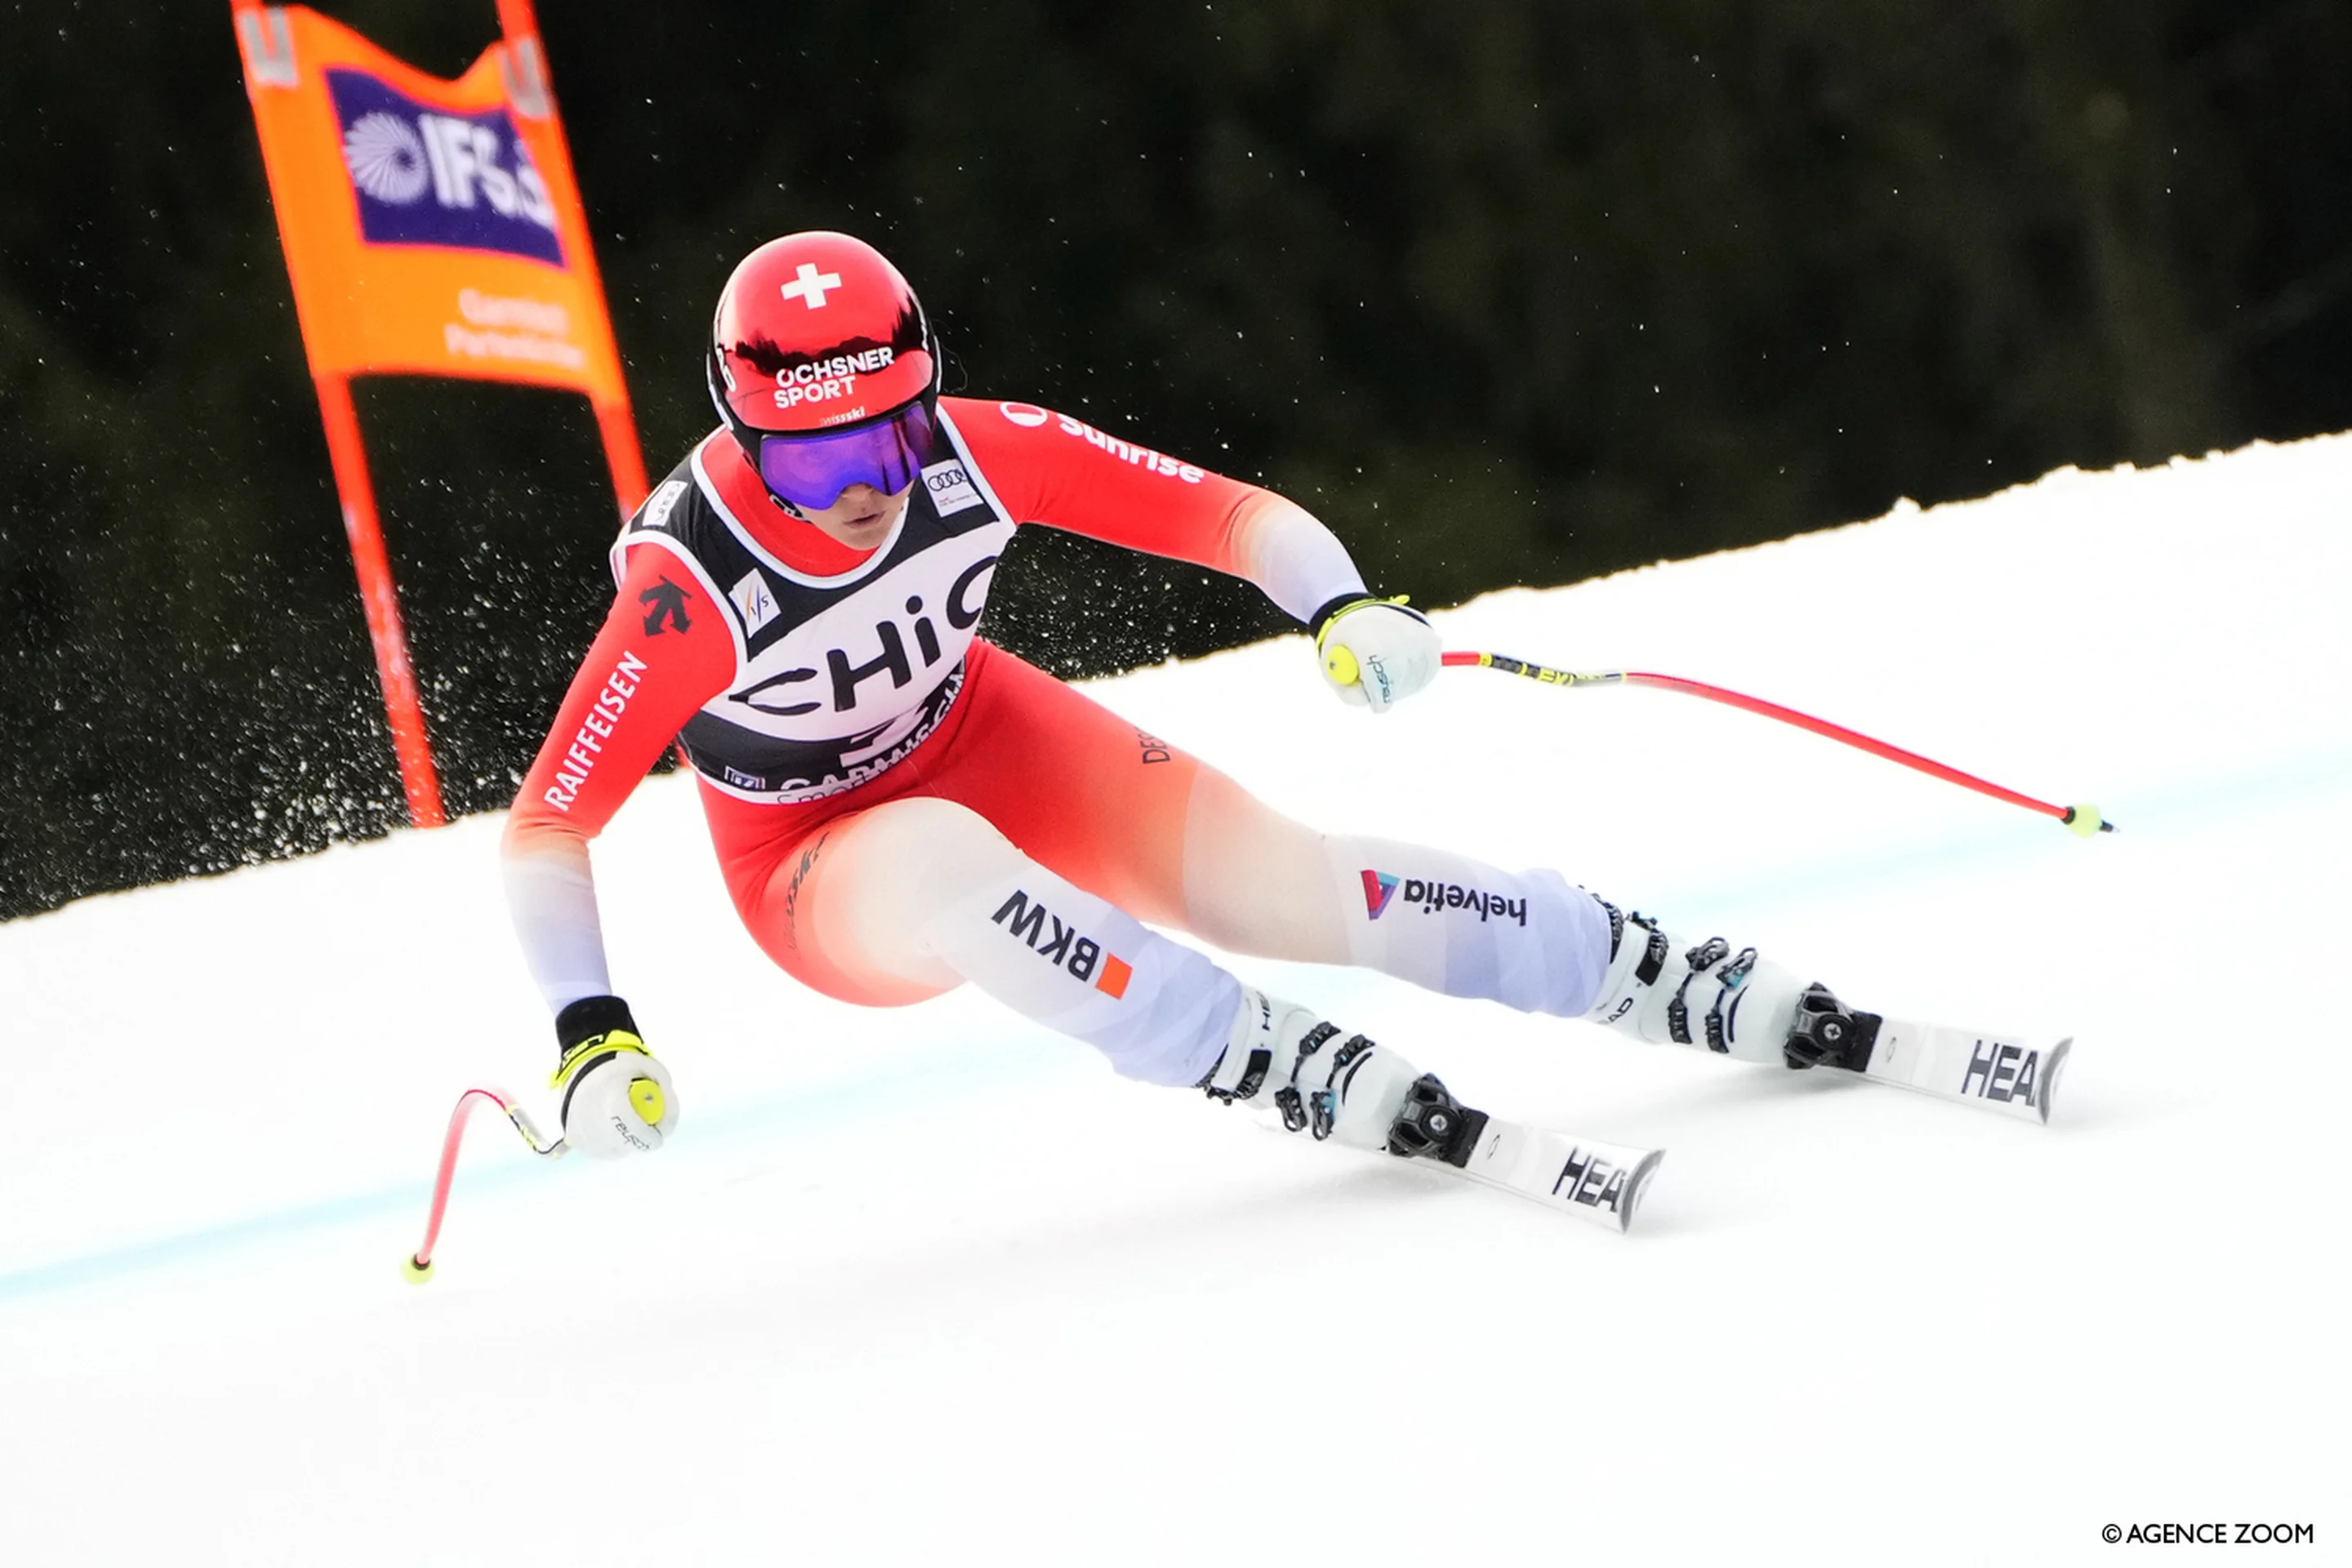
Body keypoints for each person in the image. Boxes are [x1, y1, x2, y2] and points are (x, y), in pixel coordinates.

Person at [502, 230, 1864, 1166]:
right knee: (941, 863)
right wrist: (589, 1034)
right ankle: (1241, 1050)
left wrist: (1337, 601)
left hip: (983, 734)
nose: (863, 488)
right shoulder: (689, 590)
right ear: (746, 446)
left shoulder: (984, 452)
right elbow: (549, 826)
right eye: (813, 463)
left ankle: (1625, 963)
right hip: (811, 866)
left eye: (891, 436)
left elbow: (1220, 514)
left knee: (1289, 881)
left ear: (931, 402)